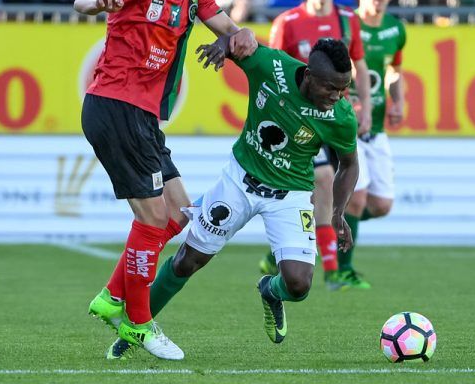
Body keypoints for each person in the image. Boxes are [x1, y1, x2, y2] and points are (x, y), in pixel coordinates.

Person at [72, 0, 257, 360]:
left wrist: (244, 34)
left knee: (177, 215)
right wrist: (99, 0)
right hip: (116, 105)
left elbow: (228, 29)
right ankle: (138, 323)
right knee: (153, 219)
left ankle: (112, 297)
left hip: (144, 116)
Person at [107, 37, 360, 359]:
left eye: (343, 89)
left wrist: (338, 214)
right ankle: (134, 331)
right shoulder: (274, 67)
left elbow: (350, 165)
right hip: (239, 183)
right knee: (187, 261)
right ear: (309, 75)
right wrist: (223, 44)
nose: (337, 97)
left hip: (291, 195)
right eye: (331, 88)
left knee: (298, 285)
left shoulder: (340, 116)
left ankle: (270, 290)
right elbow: (242, 43)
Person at [260, 0, 371, 291]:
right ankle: (334, 269)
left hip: (336, 115)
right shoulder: (288, 22)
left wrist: (364, 106)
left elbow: (359, 66)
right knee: (322, 181)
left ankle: (289, 254)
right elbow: (274, 69)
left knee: (360, 196)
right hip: (300, 120)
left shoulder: (347, 20)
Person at [339, 0, 406, 288]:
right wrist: (348, 101)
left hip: (377, 128)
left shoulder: (396, 28)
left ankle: (324, 231)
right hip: (349, 127)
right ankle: (342, 270)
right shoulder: (347, 25)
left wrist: (399, 100)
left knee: (381, 205)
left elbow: (394, 69)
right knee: (358, 198)